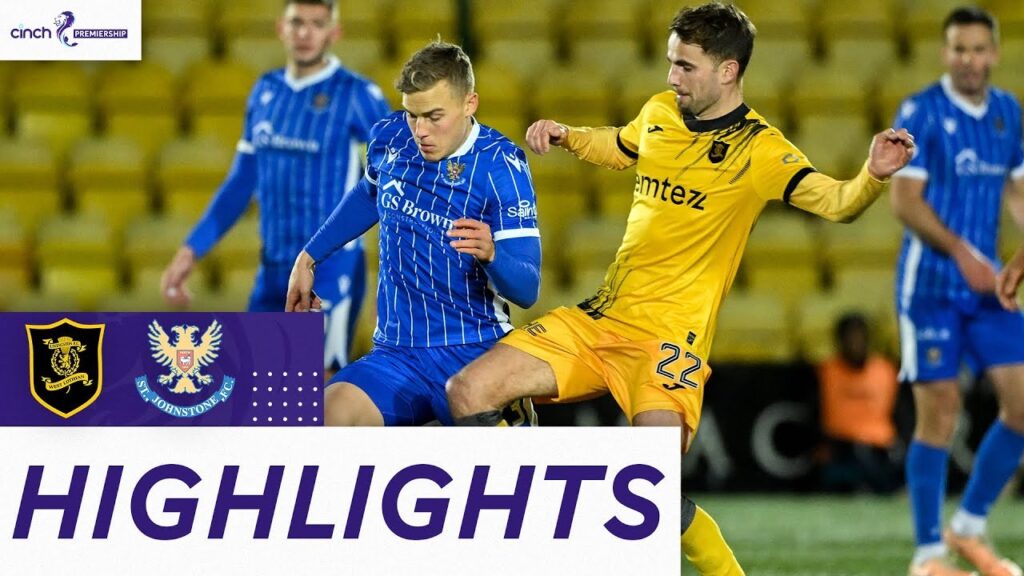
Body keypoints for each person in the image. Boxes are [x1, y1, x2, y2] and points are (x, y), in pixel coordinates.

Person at [443, 3, 915, 574]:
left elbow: (837, 203)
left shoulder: (761, 150)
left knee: (652, 488)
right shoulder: (660, 111)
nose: (672, 77)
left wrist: (871, 176)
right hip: (600, 319)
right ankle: (533, 524)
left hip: (669, 343)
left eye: (686, 66)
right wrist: (569, 136)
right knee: (468, 391)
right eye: (671, 63)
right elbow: (621, 145)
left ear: (728, 71)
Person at [286, 41, 541, 427]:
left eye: (434, 116)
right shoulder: (390, 136)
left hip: (476, 352)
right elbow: (370, 194)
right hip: (397, 355)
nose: (420, 130)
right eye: (412, 114)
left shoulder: (501, 166)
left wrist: (493, 255)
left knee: (497, 466)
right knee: (325, 420)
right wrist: (308, 257)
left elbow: (527, 290)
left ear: (469, 104)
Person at [159, 0, 390, 372]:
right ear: (281, 29)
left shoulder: (357, 95)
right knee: (258, 386)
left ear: (334, 33)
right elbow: (241, 181)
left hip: (330, 267)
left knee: (315, 385)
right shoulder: (265, 91)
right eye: (297, 22)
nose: (305, 33)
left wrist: (393, 279)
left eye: (317, 24)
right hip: (272, 269)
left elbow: (395, 184)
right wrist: (191, 250)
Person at [890, 6, 1024, 576]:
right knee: (940, 413)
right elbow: (905, 202)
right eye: (958, 49)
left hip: (988, 287)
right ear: (946, 53)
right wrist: (962, 252)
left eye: (977, 49)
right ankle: (928, 555)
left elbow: (1017, 190)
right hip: (930, 287)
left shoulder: (1008, 112)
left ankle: (968, 527)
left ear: (994, 53)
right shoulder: (920, 112)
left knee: (1023, 405)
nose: (968, 59)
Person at [817, 312, 900, 494]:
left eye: (859, 336)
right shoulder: (827, 371)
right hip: (841, 445)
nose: (855, 342)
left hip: (881, 446)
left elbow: (901, 414)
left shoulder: (885, 370)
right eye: (850, 337)